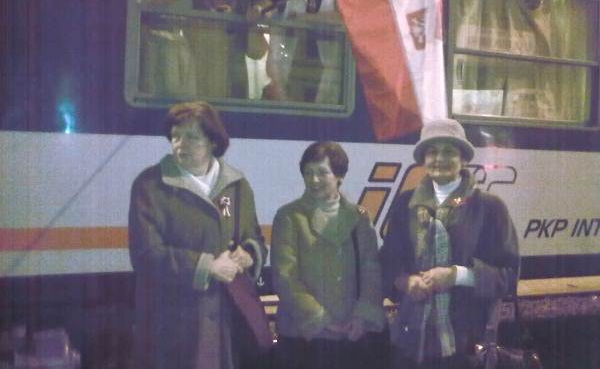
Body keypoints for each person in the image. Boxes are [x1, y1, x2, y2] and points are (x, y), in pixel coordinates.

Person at [128, 101, 267, 369]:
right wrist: (207, 267)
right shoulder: (150, 186)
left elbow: (254, 238)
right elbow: (146, 255)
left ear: (213, 141)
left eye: (192, 137)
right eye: (175, 136)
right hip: (173, 324)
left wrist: (248, 254)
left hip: (226, 323)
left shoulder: (236, 186)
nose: (181, 145)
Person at [380, 119, 520, 369]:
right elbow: (389, 261)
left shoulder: (489, 207)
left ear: (463, 159)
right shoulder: (405, 204)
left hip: (466, 344)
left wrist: (456, 276)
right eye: (432, 152)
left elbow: (508, 276)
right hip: (411, 341)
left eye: (449, 152)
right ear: (423, 160)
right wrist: (405, 281)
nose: (439, 159)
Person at [271, 141, 386, 369]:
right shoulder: (289, 216)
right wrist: (320, 319)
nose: (314, 180)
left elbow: (371, 270)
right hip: (302, 336)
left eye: (322, 172)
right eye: (308, 173)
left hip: (351, 334)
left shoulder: (360, 216)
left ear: (339, 176)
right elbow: (285, 277)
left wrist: (361, 317)